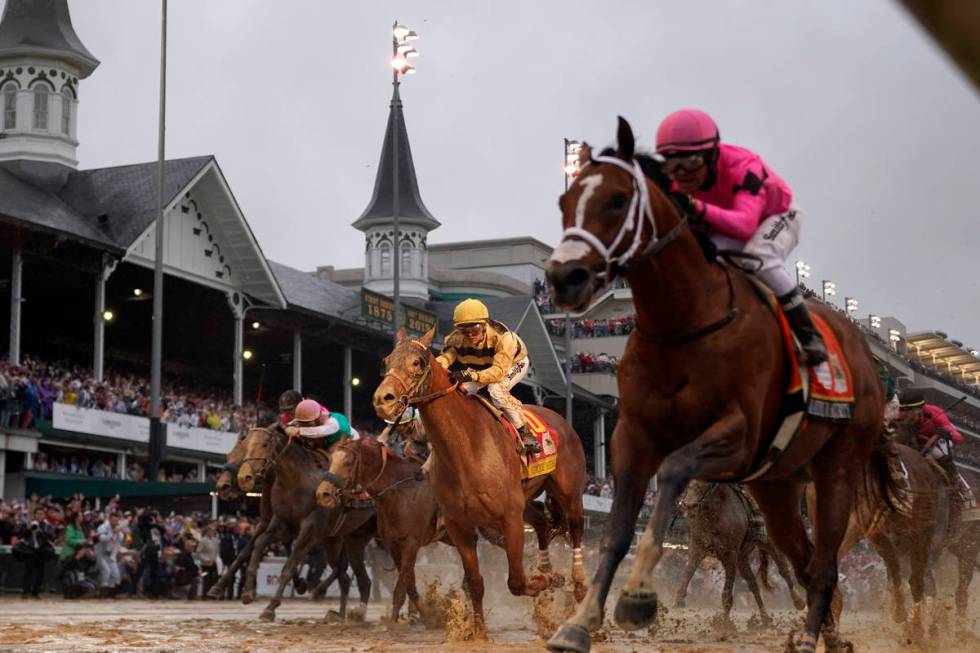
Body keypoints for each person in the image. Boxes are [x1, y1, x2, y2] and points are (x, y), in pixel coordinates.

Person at [655, 108, 827, 364]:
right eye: (672, 162)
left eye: (691, 162)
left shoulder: (744, 168)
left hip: (777, 214)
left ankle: (809, 335)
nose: (681, 173)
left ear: (713, 154)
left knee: (758, 255)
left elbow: (745, 226)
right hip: (726, 220)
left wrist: (695, 207)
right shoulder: (675, 181)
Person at [436, 298, 541, 454]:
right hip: (482, 365)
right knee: (459, 391)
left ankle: (525, 433)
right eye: (464, 331)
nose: (470, 335)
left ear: (484, 325)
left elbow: (498, 372)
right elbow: (447, 357)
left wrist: (471, 376)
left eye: (475, 329)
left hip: (512, 363)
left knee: (496, 390)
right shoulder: (455, 338)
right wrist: (436, 365)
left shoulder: (503, 337)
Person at [897, 390, 964, 488]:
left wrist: (948, 434)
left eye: (909, 415)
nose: (904, 418)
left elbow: (959, 439)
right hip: (914, 439)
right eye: (902, 413)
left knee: (938, 454)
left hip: (936, 438)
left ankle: (957, 485)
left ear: (920, 411)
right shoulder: (898, 416)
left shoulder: (935, 413)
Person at [284, 398, 359, 449]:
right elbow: (299, 421)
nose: (305, 426)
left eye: (307, 423)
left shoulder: (333, 423)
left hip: (350, 445)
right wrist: (288, 426)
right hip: (331, 443)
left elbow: (318, 431)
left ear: (317, 419)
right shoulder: (316, 415)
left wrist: (298, 431)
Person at [13, 519, 54, 597]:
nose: (34, 527)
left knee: (41, 574)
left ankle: (35, 591)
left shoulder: (43, 529)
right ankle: (25, 592)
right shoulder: (26, 529)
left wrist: (40, 532)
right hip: (29, 552)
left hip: (40, 553)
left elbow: (47, 540)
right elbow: (20, 537)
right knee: (29, 572)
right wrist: (28, 529)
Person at [95, 511, 124, 596]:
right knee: (106, 571)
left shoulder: (119, 531)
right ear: (110, 519)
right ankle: (102, 592)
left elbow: (119, 542)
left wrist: (114, 557)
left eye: (116, 520)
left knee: (116, 575)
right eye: (113, 520)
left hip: (110, 554)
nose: (115, 522)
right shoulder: (103, 527)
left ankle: (110, 593)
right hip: (100, 552)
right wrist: (113, 533)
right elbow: (102, 539)